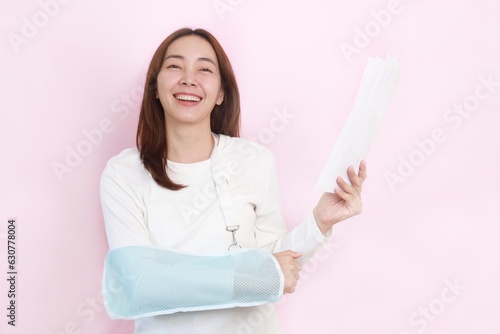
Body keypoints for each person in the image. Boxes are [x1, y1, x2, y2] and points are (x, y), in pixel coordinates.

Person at [100, 27, 367, 334]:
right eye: (175, 66)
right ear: (155, 88)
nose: (189, 78)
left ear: (221, 93)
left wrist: (319, 223)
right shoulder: (123, 173)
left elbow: (276, 263)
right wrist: (254, 277)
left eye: (204, 69)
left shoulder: (254, 160)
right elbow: (142, 285)